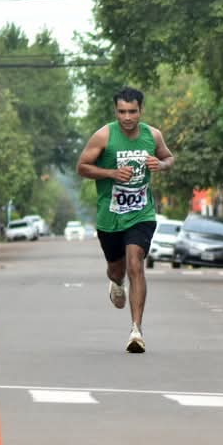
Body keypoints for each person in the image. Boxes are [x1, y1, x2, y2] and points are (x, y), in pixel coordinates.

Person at [76, 87, 175, 353]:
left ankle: (136, 330)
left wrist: (161, 165)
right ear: (116, 111)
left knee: (136, 265)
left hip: (142, 214)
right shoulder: (104, 135)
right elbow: (82, 167)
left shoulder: (152, 135)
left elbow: (168, 158)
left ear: (141, 111)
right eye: (122, 112)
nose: (127, 117)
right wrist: (111, 173)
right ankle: (116, 282)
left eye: (132, 111)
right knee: (117, 270)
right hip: (110, 217)